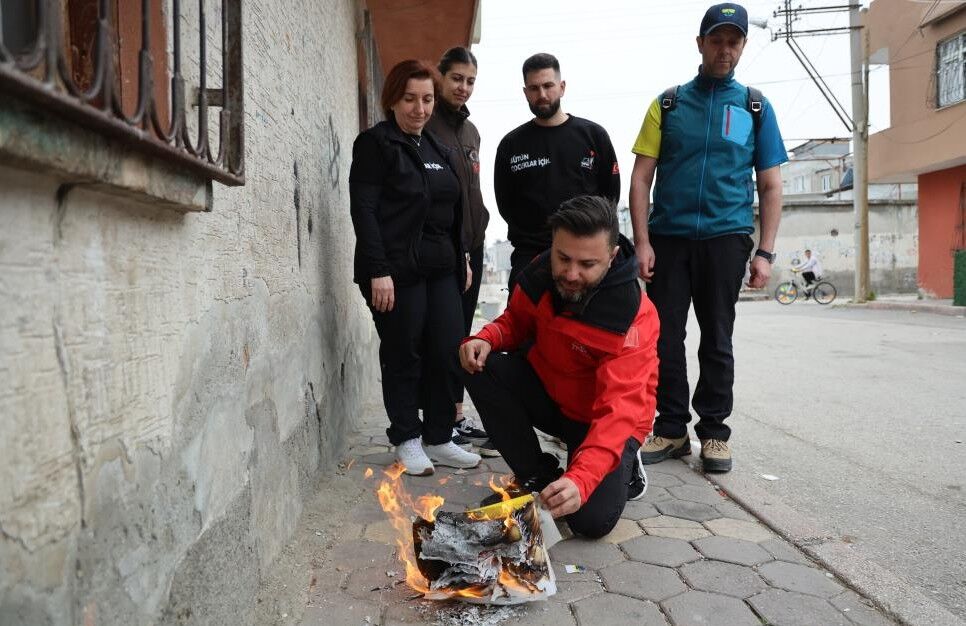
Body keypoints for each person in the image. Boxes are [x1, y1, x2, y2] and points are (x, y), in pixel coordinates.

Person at [628, 3, 787, 473]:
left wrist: (765, 251)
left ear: (742, 46)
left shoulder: (755, 106)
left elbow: (771, 184)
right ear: (700, 44)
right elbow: (641, 180)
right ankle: (672, 427)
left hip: (726, 237)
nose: (725, 49)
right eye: (716, 40)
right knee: (666, 338)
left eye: (733, 41)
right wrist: (642, 241)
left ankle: (715, 433)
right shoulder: (669, 104)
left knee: (717, 337)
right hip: (670, 238)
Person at [457, 195, 659, 538]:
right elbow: (516, 322)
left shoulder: (633, 317)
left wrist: (580, 479)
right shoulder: (539, 274)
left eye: (587, 264)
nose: (570, 273)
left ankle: (626, 464)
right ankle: (538, 475)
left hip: (605, 421)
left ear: (611, 258)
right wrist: (488, 337)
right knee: (477, 360)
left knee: (589, 523)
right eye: (563, 258)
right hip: (554, 398)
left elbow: (618, 411)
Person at [349, 59, 481, 476]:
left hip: (441, 267)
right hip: (395, 270)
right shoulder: (376, 143)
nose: (419, 109)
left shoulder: (437, 148)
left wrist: (462, 255)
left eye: (426, 99)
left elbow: (452, 208)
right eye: (410, 99)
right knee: (404, 351)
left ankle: (439, 437)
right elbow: (364, 209)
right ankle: (407, 437)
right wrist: (377, 269)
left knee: (446, 348)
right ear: (393, 99)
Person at [494, 53, 620, 293]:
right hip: (530, 258)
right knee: (524, 329)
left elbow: (610, 198)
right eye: (534, 88)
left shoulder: (594, 136)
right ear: (525, 92)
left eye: (548, 86)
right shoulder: (511, 145)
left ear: (562, 87)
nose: (541, 94)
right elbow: (506, 205)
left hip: (584, 259)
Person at [424, 46, 494, 453]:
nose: (463, 87)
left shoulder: (471, 132)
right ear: (440, 76)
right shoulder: (425, 123)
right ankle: (438, 422)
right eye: (456, 79)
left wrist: (474, 242)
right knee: (442, 338)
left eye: (470, 81)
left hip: (473, 245)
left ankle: (454, 416)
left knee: (461, 335)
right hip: (443, 251)